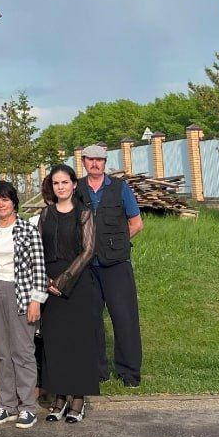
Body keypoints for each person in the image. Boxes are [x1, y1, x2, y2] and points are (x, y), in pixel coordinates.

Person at [0, 180, 48, 429]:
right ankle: (7, 404)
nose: (1, 204)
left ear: (14, 201)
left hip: (21, 294)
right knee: (2, 352)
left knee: (22, 352)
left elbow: (39, 267)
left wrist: (36, 300)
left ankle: (27, 407)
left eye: (5, 199)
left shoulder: (28, 230)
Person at [38, 164, 101, 423]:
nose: (61, 187)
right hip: (49, 283)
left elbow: (88, 250)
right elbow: (37, 249)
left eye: (65, 182)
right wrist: (45, 279)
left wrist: (63, 281)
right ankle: (59, 397)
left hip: (76, 284)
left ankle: (77, 399)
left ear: (74, 184)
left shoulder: (84, 214)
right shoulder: (45, 214)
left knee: (78, 342)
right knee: (55, 342)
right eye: (56, 183)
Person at [79, 144, 144, 386]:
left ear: (105, 163)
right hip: (87, 267)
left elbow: (136, 223)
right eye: (90, 160)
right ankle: (98, 371)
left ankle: (129, 373)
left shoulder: (119, 188)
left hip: (117, 265)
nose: (94, 164)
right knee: (92, 319)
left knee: (124, 318)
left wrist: (115, 244)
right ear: (84, 162)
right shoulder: (77, 190)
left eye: (99, 160)